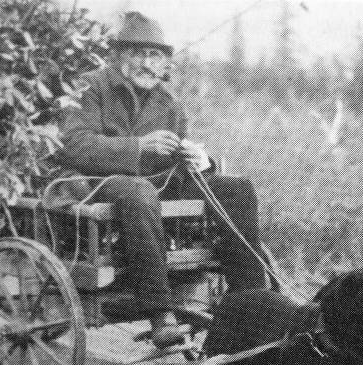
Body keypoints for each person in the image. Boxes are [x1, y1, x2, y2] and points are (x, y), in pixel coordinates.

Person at [56, 12, 268, 347]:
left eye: (155, 55)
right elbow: (73, 145)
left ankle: (252, 302)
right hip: (95, 181)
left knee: (236, 189)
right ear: (118, 55)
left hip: (155, 184)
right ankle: (160, 315)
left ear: (165, 62)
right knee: (140, 192)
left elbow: (176, 163)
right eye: (137, 53)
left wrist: (200, 161)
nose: (146, 63)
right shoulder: (91, 86)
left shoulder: (168, 102)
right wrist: (139, 146)